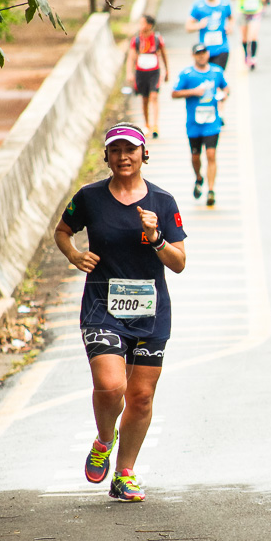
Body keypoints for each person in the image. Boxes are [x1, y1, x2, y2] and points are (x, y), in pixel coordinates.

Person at [54, 123, 188, 502]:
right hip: (102, 306)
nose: (123, 157)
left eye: (131, 150)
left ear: (145, 154)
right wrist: (75, 254)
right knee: (112, 386)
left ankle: (125, 473)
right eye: (116, 151)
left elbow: (178, 263)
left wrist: (156, 236)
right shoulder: (90, 198)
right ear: (107, 157)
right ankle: (102, 439)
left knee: (142, 397)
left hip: (151, 312)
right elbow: (62, 231)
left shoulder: (162, 202)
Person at [172, 43, 229, 207]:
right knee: (196, 157)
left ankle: (211, 191)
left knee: (211, 155)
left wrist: (224, 95)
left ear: (207, 54)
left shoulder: (216, 72)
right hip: (194, 124)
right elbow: (174, 93)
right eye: (198, 54)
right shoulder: (187, 74)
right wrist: (193, 92)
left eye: (204, 53)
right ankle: (198, 177)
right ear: (193, 56)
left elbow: (226, 88)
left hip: (212, 123)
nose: (202, 56)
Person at [125, 15, 169, 138]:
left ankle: (155, 125)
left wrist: (167, 71)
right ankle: (147, 125)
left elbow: (164, 55)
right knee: (144, 99)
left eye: (142, 23)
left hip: (154, 72)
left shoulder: (157, 39)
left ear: (149, 25)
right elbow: (131, 57)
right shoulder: (136, 40)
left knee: (154, 97)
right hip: (141, 73)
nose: (140, 26)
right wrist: (129, 72)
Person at [187, 0, 233, 71]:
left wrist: (230, 27)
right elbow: (188, 27)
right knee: (206, 77)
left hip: (222, 49)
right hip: (203, 51)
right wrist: (199, 25)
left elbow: (231, 18)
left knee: (217, 76)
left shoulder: (225, 4)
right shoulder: (198, 6)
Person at [229, 0, 266, 69]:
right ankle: (246, 54)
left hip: (255, 11)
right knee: (244, 37)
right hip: (243, 12)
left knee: (253, 35)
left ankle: (253, 57)